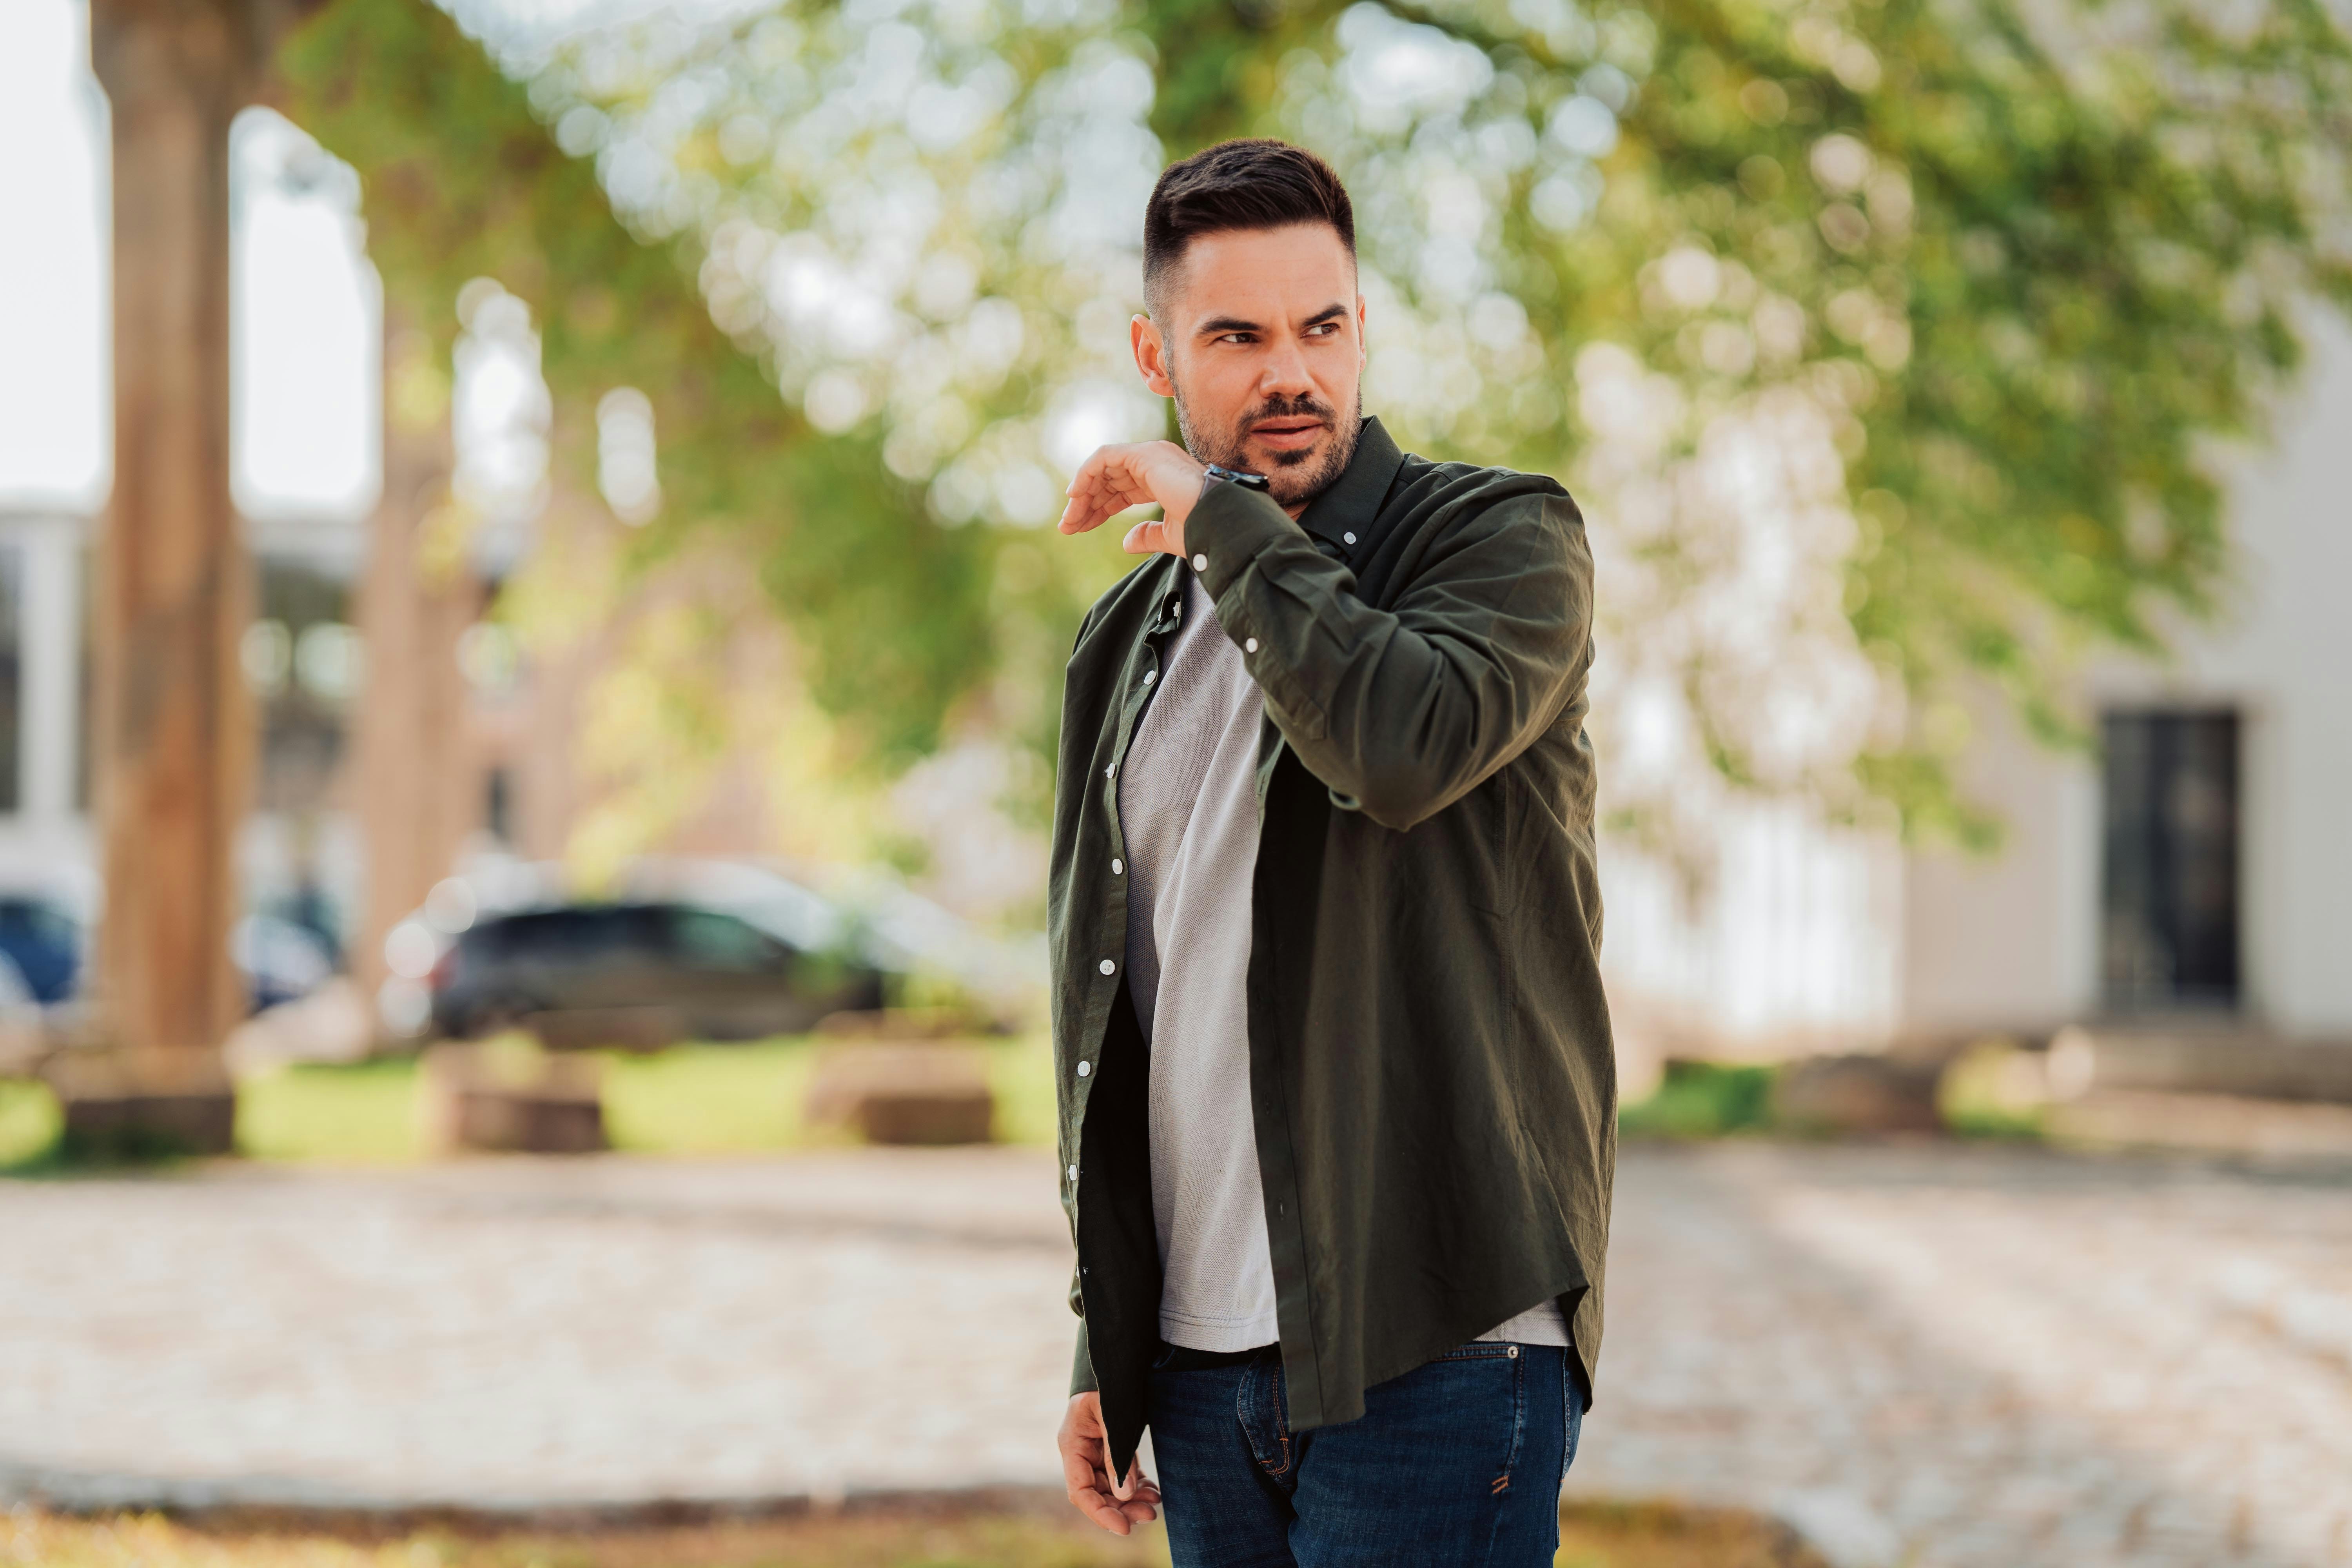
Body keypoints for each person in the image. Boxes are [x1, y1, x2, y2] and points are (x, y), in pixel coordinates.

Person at [1047, 138, 1615, 1566]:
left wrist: (1218, 519)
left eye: (1324, 326)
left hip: (1440, 1334)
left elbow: (1398, 744)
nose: (1288, 374)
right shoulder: (1122, 647)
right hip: (1200, 1357)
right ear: (1155, 353)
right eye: (1235, 337)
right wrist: (1099, 1337)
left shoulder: (1501, 544)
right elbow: (1123, 1009)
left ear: (1364, 324)